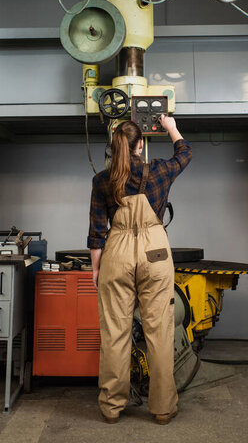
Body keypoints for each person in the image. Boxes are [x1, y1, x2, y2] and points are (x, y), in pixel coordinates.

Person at [87, 115, 192, 425]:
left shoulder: (102, 180)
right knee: (159, 332)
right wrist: (170, 126)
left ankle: (111, 407)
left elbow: (96, 232)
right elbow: (185, 154)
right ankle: (162, 408)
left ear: (114, 147)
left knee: (115, 334)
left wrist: (96, 270)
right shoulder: (159, 169)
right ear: (140, 145)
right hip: (155, 254)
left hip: (116, 254)